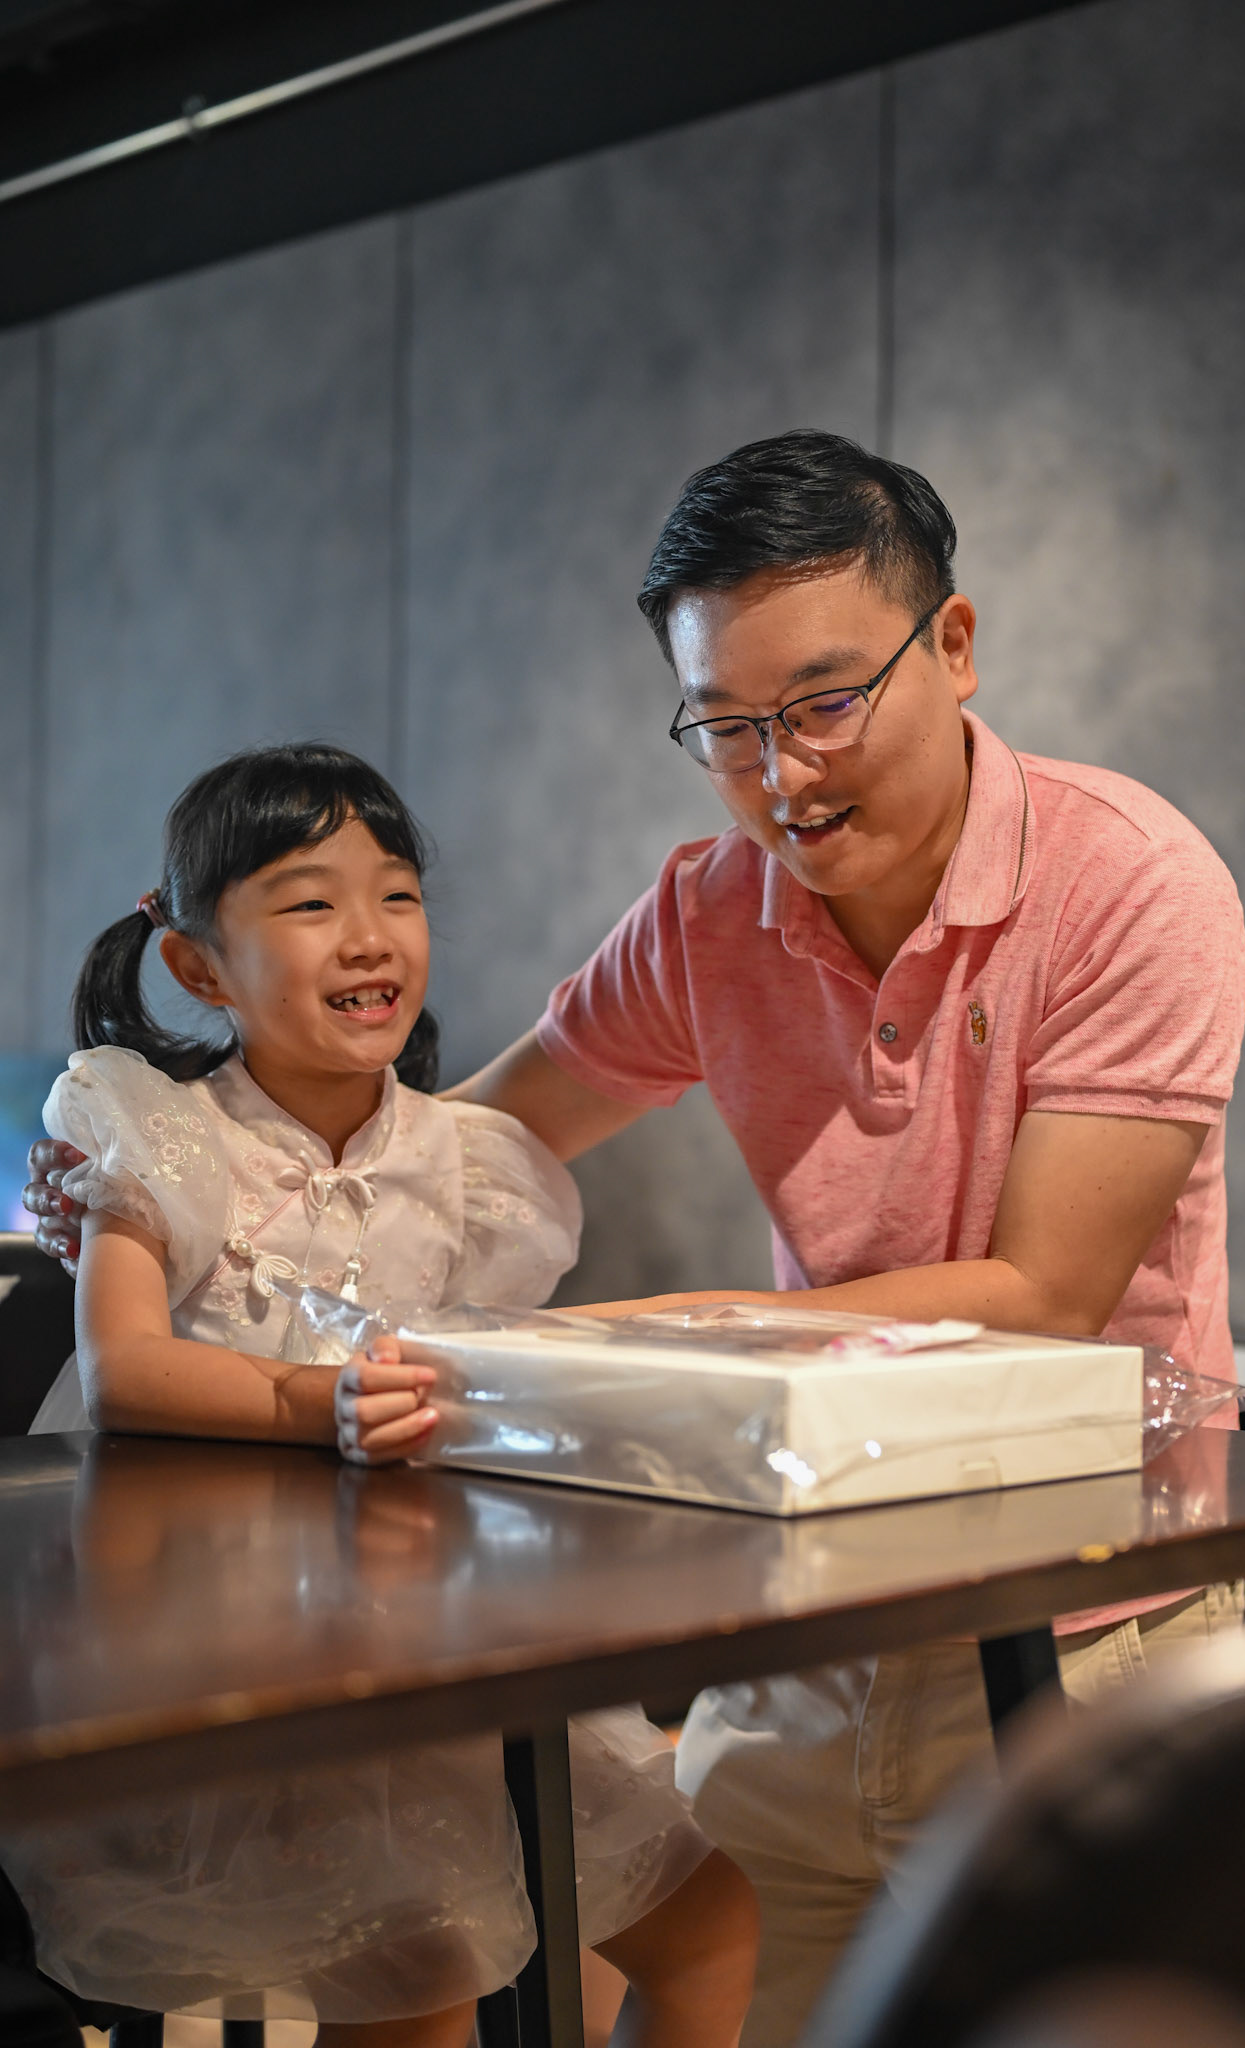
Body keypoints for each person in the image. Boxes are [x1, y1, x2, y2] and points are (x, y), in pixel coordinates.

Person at [30, 431, 1245, 2046]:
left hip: (1071, 1622)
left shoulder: (1127, 884)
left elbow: (1044, 1291)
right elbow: (458, 1142)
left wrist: (654, 1329)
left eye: (822, 703)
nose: (782, 776)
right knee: (700, 1961)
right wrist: (195, 1174)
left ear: (951, 644)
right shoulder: (710, 909)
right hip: (806, 1593)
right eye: (723, 728)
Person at [9, 742, 757, 2048]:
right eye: (310, 902)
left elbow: (478, 1370)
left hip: (438, 1639)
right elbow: (126, 1371)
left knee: (708, 1916)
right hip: (241, 1656)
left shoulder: (464, 1161)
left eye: (397, 896)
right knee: (423, 1972)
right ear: (196, 965)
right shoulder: (157, 1129)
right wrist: (322, 1405)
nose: (368, 936)